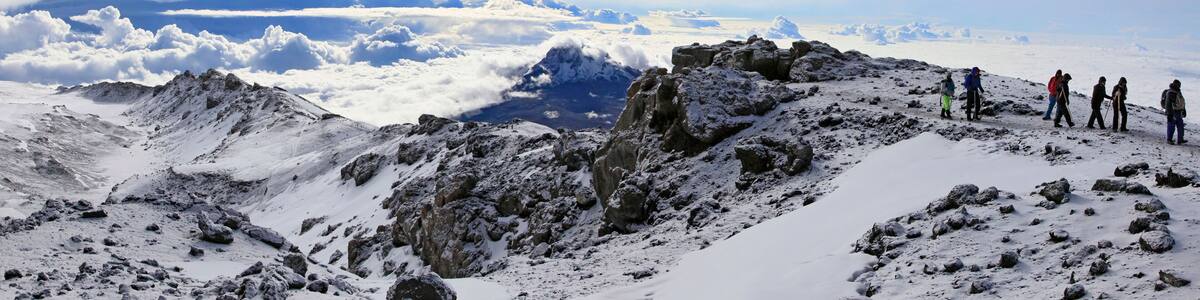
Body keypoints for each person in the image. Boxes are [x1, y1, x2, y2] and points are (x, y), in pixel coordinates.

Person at [1163, 80, 1188, 144]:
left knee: (1181, 126)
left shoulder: (1178, 91)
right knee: (1171, 126)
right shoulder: (1171, 92)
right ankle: (1169, 140)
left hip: (1179, 112)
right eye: (1179, 84)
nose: (1179, 86)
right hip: (1172, 112)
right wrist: (1170, 114)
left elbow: (1182, 102)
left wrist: (1183, 110)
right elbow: (1168, 104)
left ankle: (1180, 139)